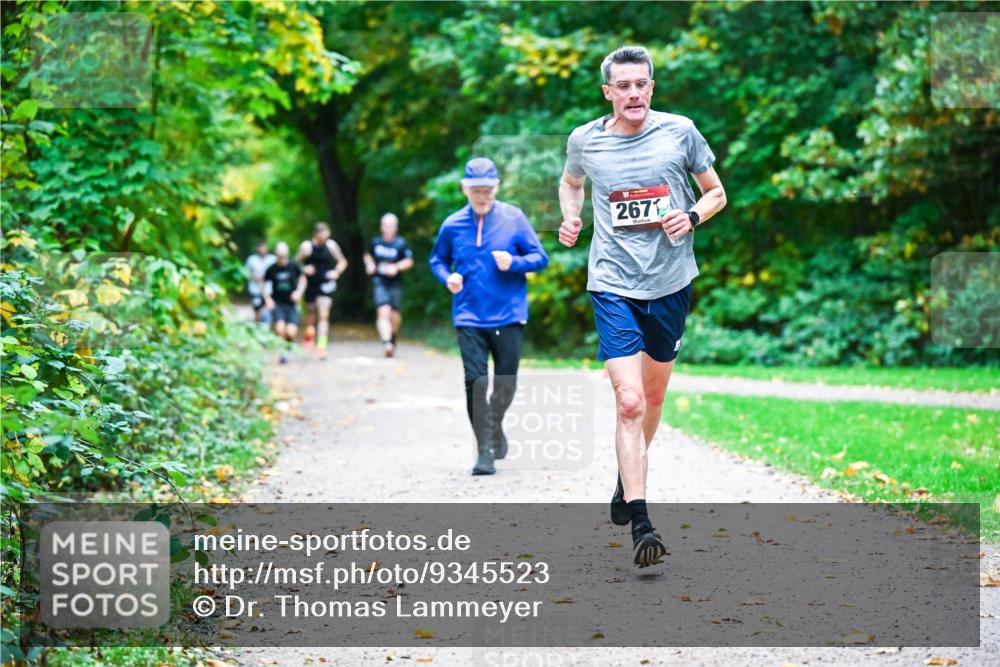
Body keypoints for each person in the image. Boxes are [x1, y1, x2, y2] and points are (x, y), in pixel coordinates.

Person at [557, 46, 727, 567]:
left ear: (652, 88)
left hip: (671, 283)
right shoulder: (585, 139)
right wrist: (572, 218)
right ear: (607, 91)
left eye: (642, 85)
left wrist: (692, 217)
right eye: (623, 86)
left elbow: (716, 192)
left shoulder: (680, 131)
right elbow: (571, 182)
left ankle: (624, 479)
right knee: (628, 401)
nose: (634, 93)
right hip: (612, 282)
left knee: (651, 400)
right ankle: (642, 520)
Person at [430, 157, 549, 476]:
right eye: (476, 190)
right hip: (468, 315)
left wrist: (515, 262)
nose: (482, 196)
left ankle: (494, 426)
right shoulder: (452, 224)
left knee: (505, 383)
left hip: (509, 314)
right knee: (474, 380)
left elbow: (540, 258)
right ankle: (484, 450)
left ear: (496, 188)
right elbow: (437, 260)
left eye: (487, 190)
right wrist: (447, 278)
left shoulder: (514, 218)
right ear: (465, 190)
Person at [364, 213, 414, 357]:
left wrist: (396, 267)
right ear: (382, 227)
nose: (388, 229)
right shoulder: (375, 242)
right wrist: (369, 264)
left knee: (394, 315)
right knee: (383, 311)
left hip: (395, 283)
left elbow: (409, 261)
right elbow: (367, 255)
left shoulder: (401, 243)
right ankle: (386, 343)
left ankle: (392, 336)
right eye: (386, 226)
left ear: (396, 228)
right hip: (379, 282)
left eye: (391, 226)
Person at [296, 222, 347, 361]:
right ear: (316, 235)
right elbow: (295, 263)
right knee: (311, 313)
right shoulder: (306, 247)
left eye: (326, 236)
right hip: (311, 284)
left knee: (324, 316)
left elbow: (342, 261)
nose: (324, 239)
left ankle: (321, 347)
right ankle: (309, 334)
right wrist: (304, 269)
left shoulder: (331, 246)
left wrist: (336, 272)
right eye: (321, 237)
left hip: (326, 284)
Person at [263, 242, 306, 364]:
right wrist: (268, 299)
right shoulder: (271, 269)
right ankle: (282, 353)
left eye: (283, 256)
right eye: (279, 256)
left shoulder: (294, 266)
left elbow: (303, 279)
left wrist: (299, 292)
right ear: (276, 255)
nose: (281, 258)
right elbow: (265, 285)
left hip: (292, 304)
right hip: (278, 303)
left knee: (290, 332)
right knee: (280, 329)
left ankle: (287, 346)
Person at [245, 241, 275, 323]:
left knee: (268, 310)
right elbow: (245, 273)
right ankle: (258, 328)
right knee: (257, 311)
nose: (262, 250)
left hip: (269, 290)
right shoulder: (251, 259)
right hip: (255, 290)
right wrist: (253, 276)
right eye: (260, 248)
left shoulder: (272, 259)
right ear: (257, 249)